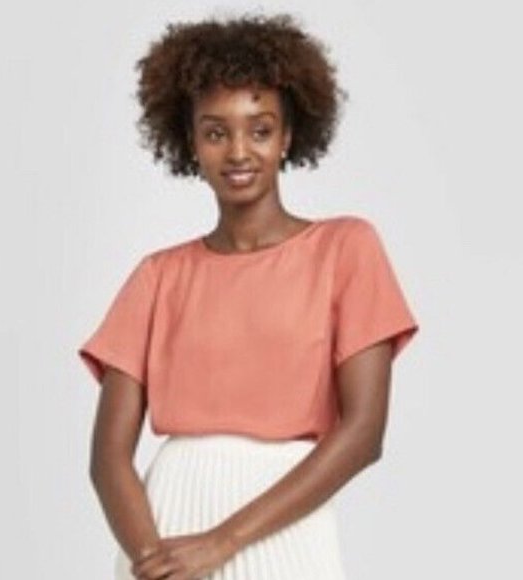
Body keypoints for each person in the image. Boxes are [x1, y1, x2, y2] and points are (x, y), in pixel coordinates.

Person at [77, 12, 420, 580]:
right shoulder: (158, 277)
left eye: (259, 130)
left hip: (285, 524)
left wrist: (222, 543)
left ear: (288, 136)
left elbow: (363, 434)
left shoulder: (345, 250)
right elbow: (107, 459)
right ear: (191, 142)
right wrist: (151, 561)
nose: (238, 151)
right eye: (216, 132)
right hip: (164, 528)